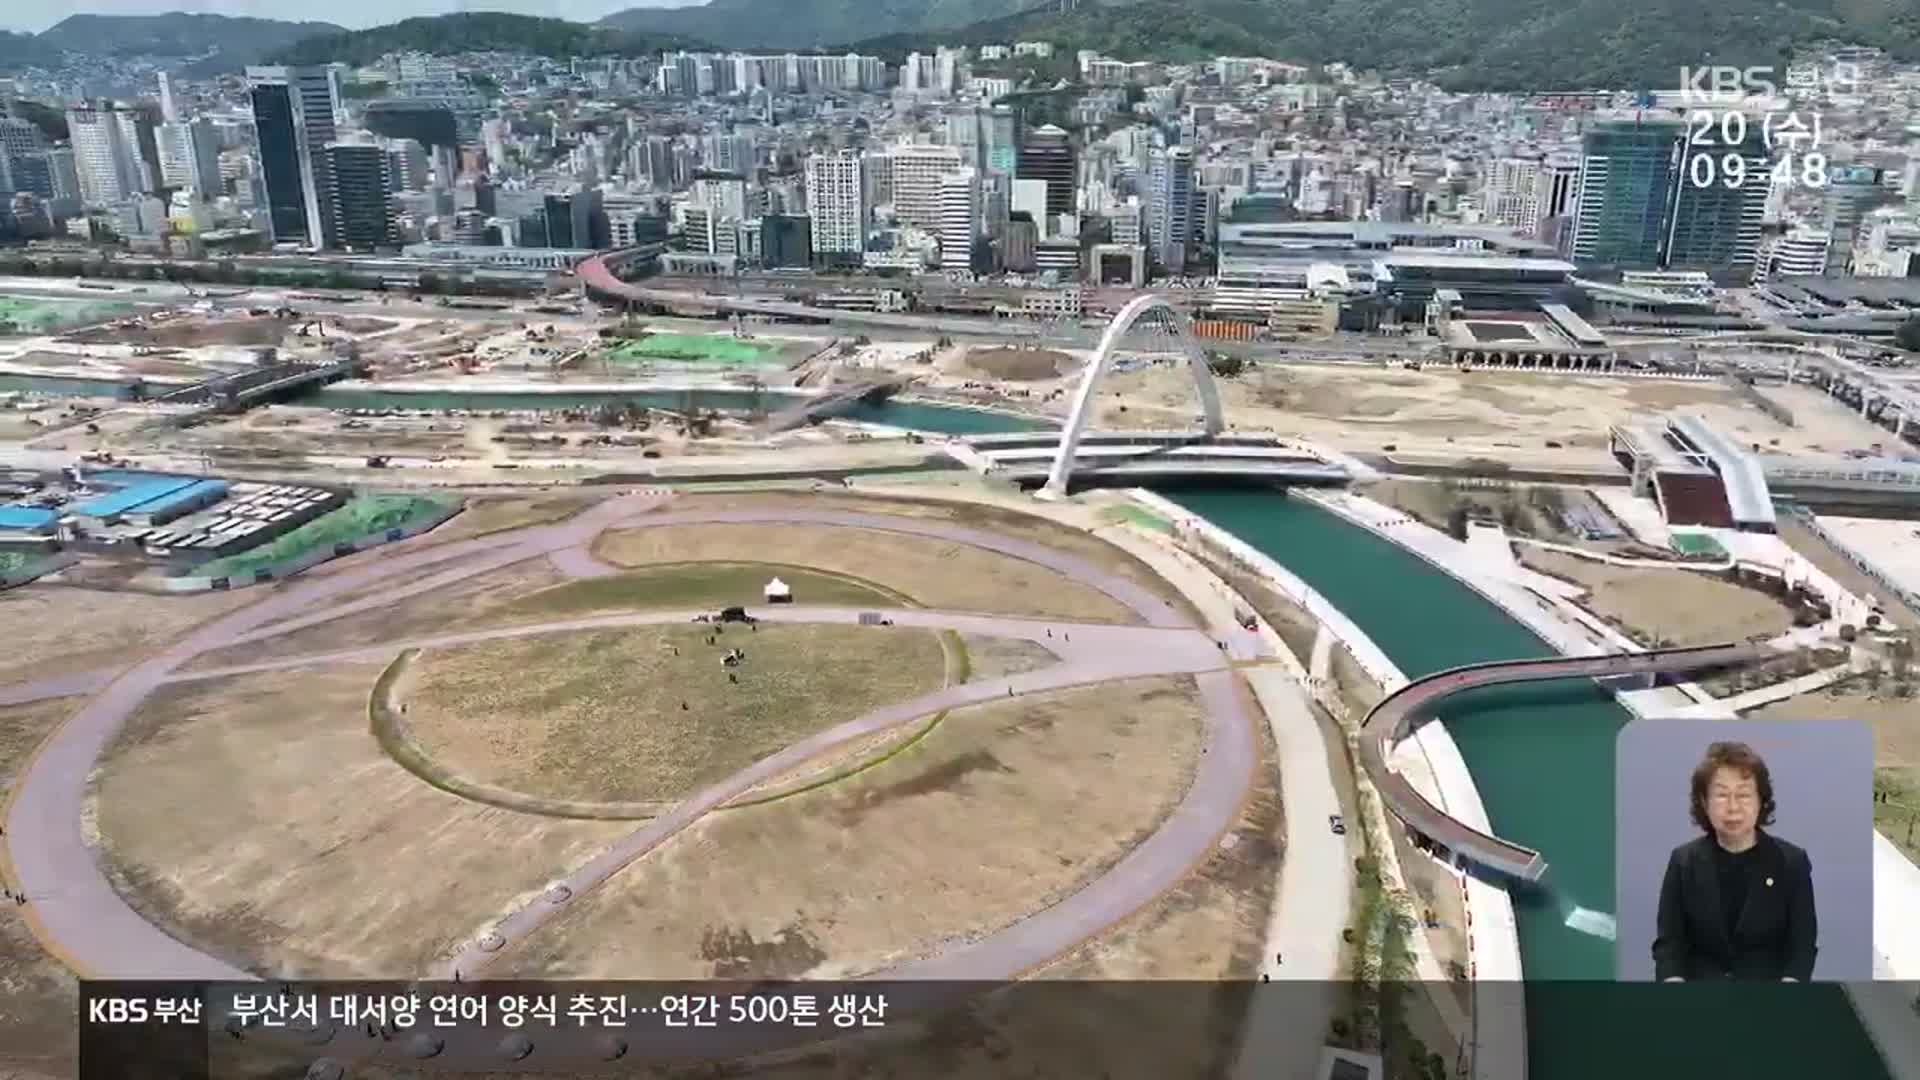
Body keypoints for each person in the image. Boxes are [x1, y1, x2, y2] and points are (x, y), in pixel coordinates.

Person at [1652, 741, 1816, 982]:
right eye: (1721, 795)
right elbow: (1669, 947)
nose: (1733, 807)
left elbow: (1801, 949)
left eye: (1743, 795)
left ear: (1761, 800)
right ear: (1704, 802)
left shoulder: (1791, 862)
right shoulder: (1683, 862)